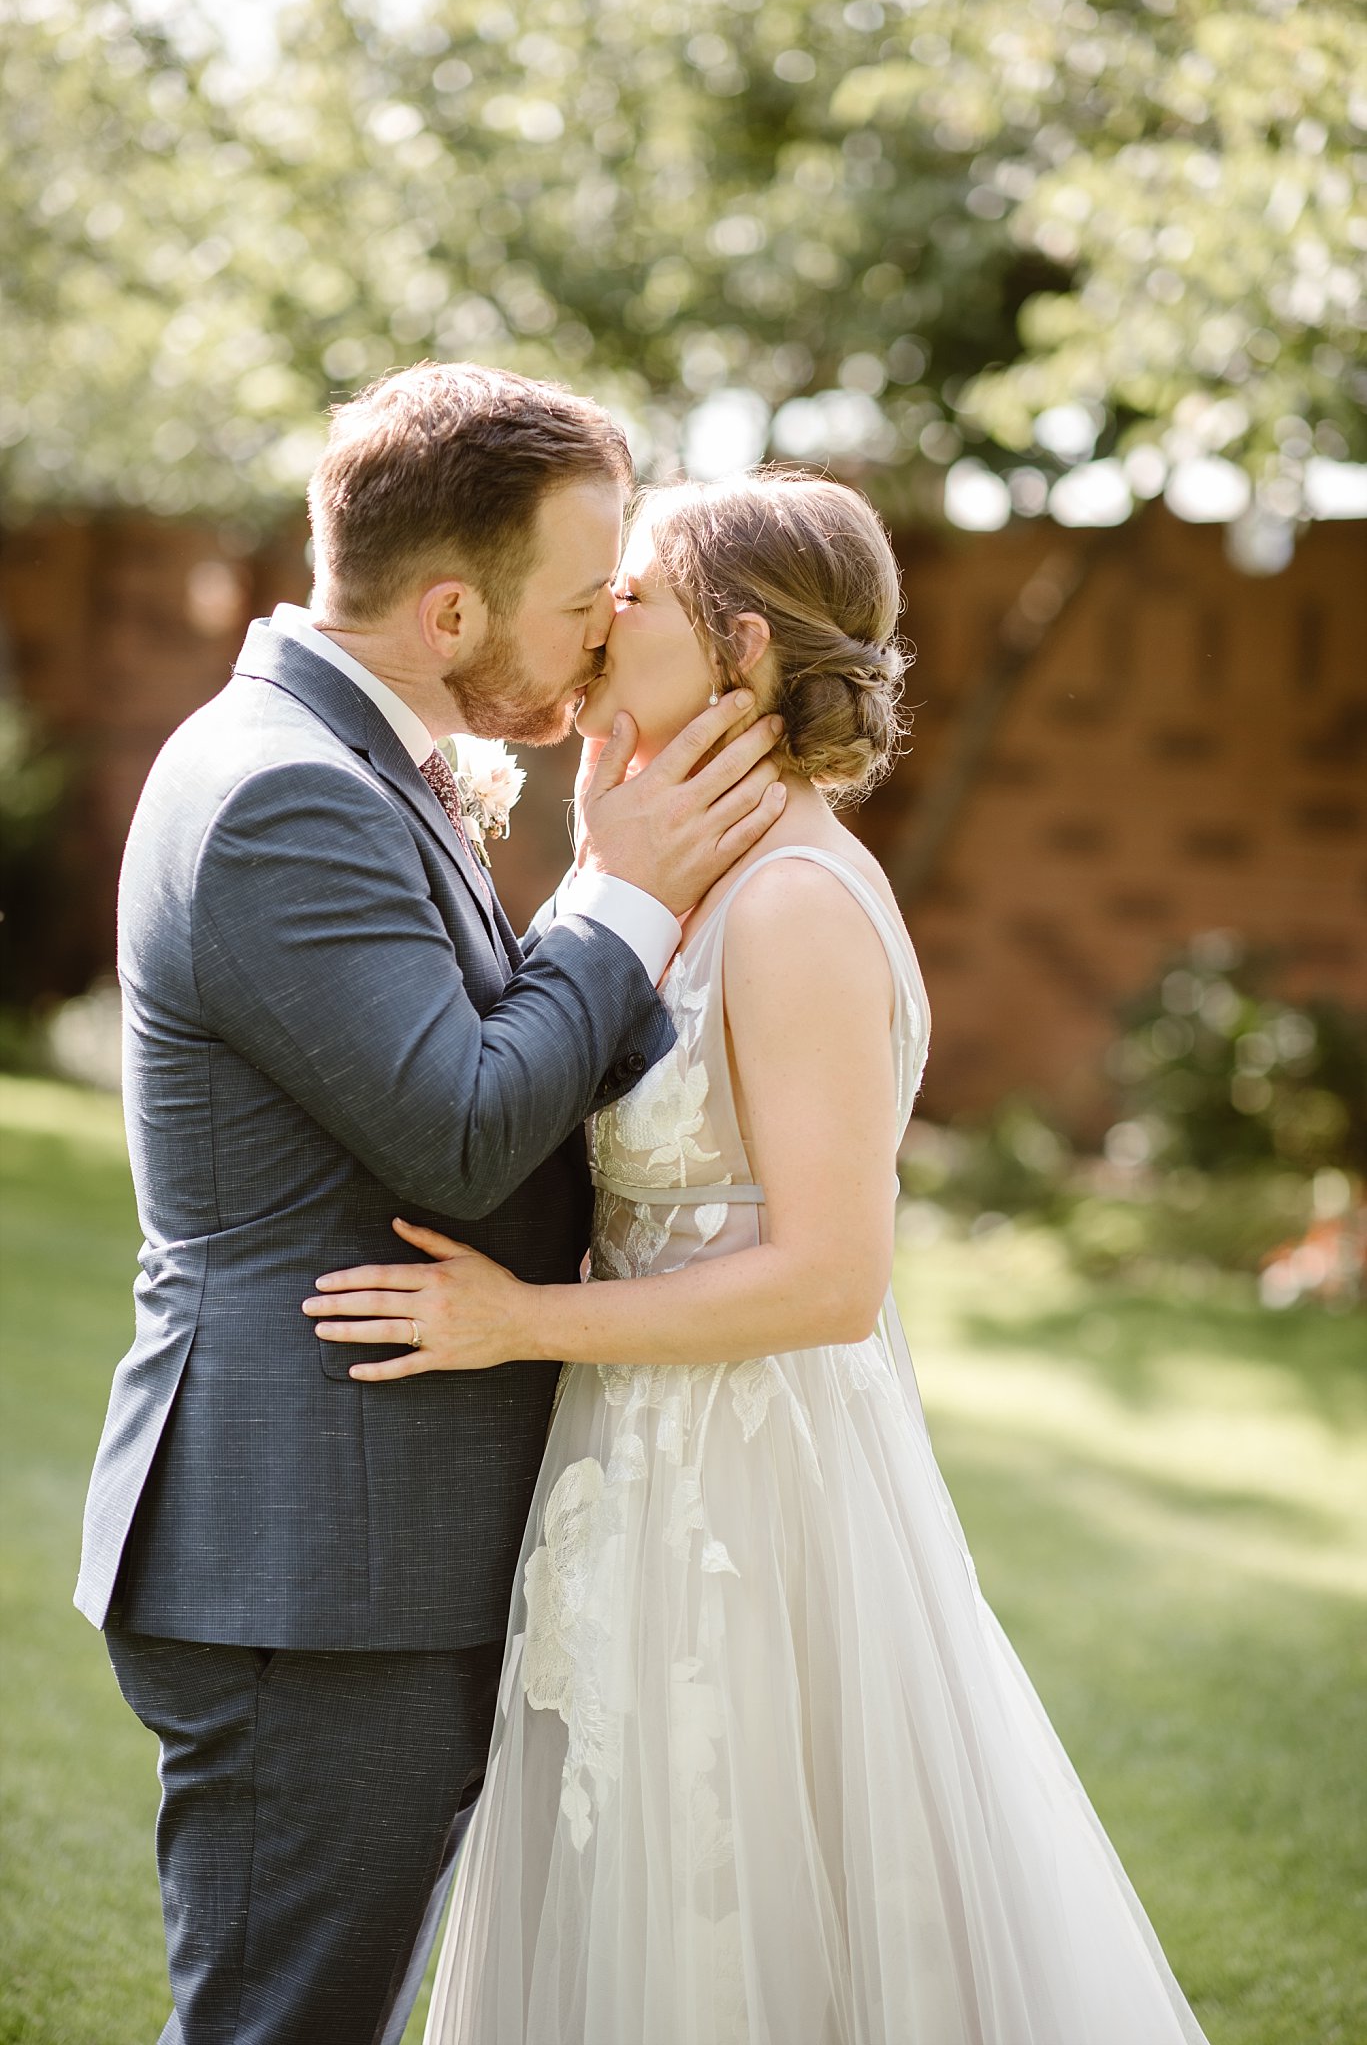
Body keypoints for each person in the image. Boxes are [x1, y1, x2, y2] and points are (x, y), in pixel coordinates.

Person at [309, 470, 1212, 2045]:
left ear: (733, 651)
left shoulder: (794, 904)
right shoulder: (688, 873)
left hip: (751, 1488)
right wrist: (602, 860)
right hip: (634, 1462)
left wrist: (515, 1320)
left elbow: (829, 1280)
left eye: (634, 592)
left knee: (739, 1881)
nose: (601, 618)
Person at [74, 362, 788, 2045]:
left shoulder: (358, 757)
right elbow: (463, 1128)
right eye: (578, 600)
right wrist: (622, 894)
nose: (605, 632)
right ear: (451, 605)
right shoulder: (279, 794)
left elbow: (481, 1058)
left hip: (362, 1535)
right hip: (311, 1552)